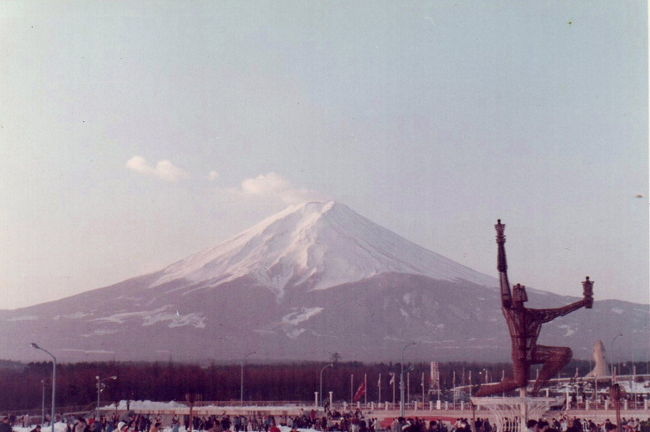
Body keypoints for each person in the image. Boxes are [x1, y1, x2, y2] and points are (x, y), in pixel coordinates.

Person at [477, 220, 594, 396]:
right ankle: (483, 391)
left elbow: (561, 311)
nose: (521, 293)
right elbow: (502, 273)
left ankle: (537, 389)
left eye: (522, 291)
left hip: (534, 351)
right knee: (519, 381)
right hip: (519, 355)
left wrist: (584, 301)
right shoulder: (509, 311)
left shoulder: (534, 315)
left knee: (564, 353)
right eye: (517, 291)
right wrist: (500, 243)